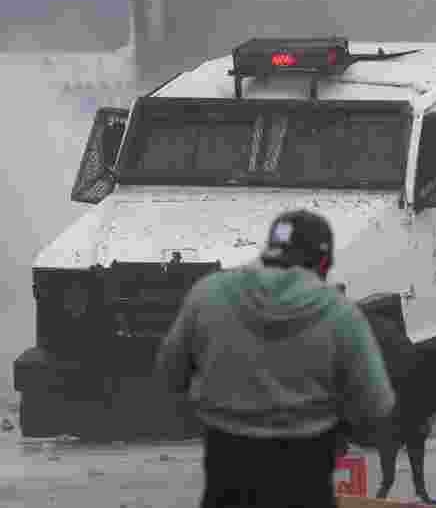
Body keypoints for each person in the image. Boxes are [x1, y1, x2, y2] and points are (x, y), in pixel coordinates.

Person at [154, 209, 396, 508]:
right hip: (307, 475)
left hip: (226, 470)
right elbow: (376, 405)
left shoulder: (208, 294)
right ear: (322, 262)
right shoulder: (340, 313)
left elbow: (169, 374)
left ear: (269, 250)